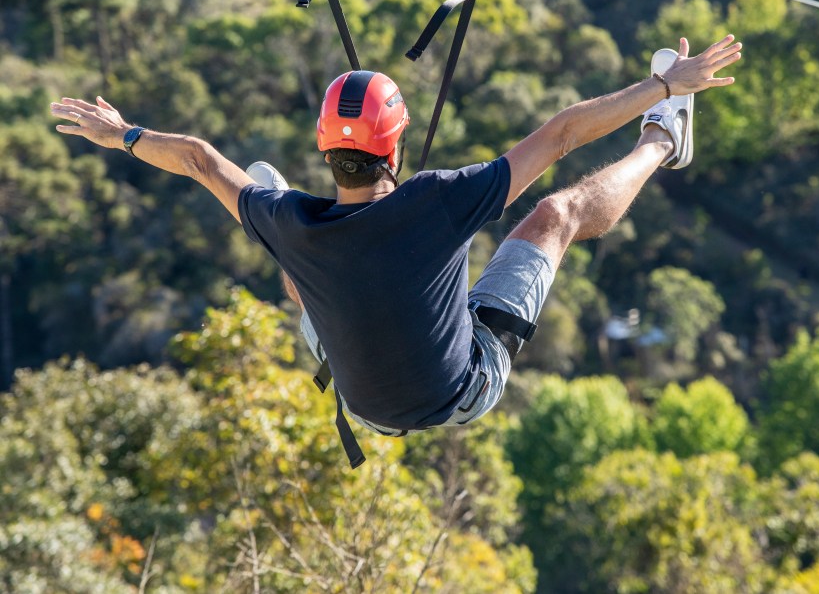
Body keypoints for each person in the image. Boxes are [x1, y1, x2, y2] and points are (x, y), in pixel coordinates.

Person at [51, 35, 741, 466]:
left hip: (362, 397)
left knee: (282, 233)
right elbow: (560, 136)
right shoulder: (437, 200)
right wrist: (665, 88)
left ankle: (303, 268)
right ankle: (664, 142)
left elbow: (202, 161)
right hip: (458, 391)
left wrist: (123, 134)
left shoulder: (293, 221)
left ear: (329, 149)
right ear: (398, 146)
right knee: (555, 216)